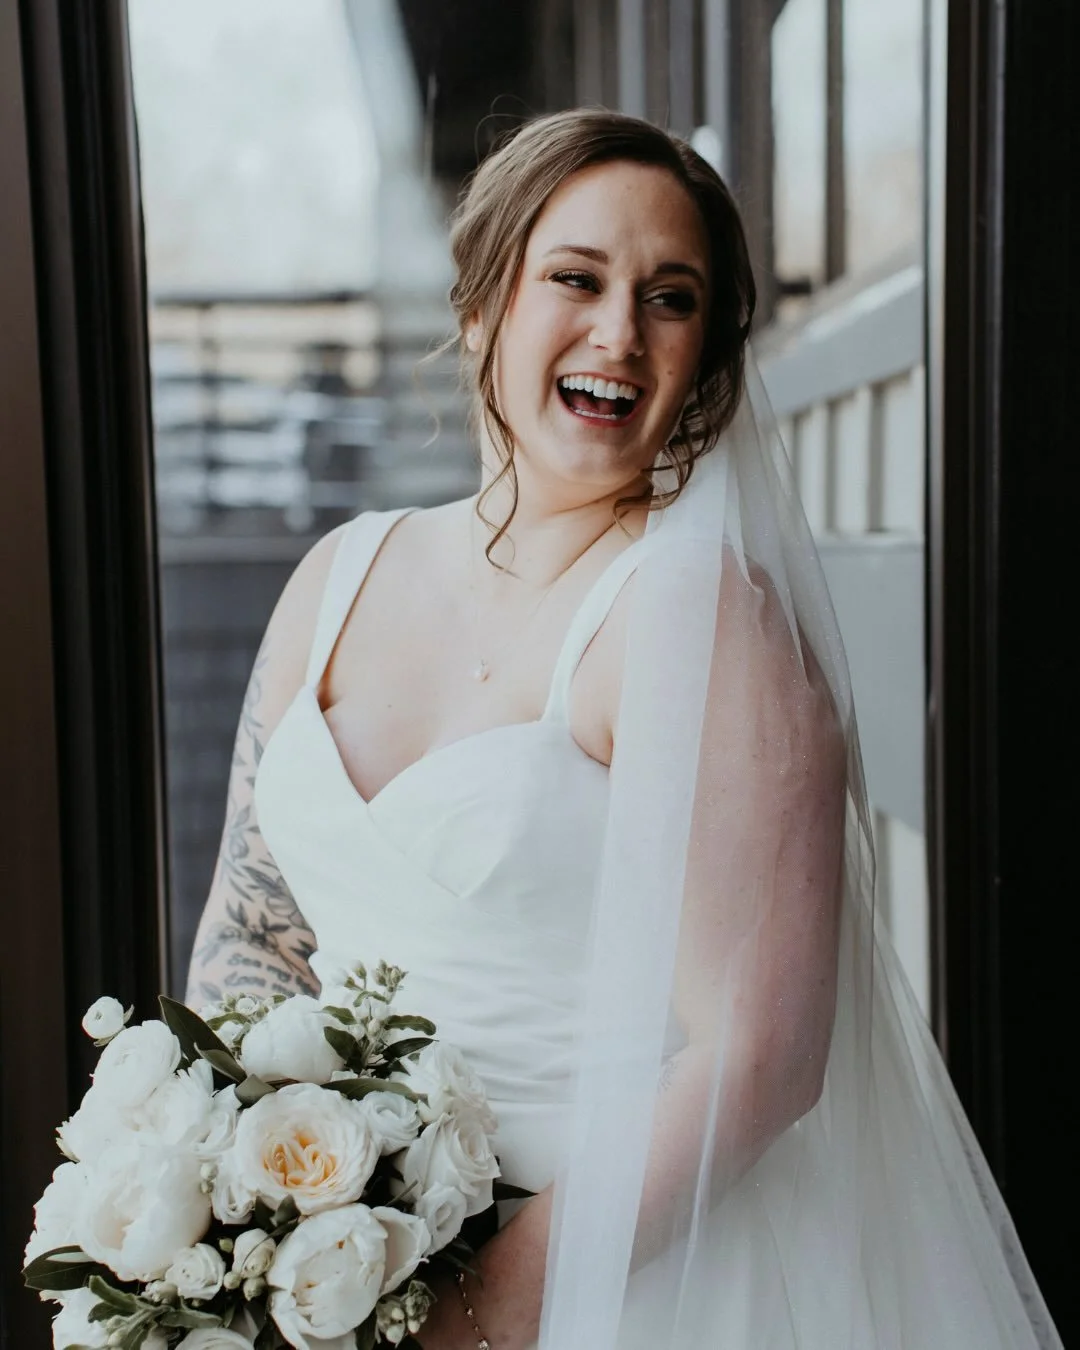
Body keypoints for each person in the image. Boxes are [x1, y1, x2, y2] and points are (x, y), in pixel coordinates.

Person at [185, 110, 1060, 1349]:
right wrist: (219, 1205)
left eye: (671, 299)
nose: (619, 334)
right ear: (483, 301)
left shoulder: (695, 619)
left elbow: (760, 1056)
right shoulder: (334, 579)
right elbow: (251, 932)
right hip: (340, 1280)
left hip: (627, 1284)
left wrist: (483, 1311)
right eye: (577, 279)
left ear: (704, 363)